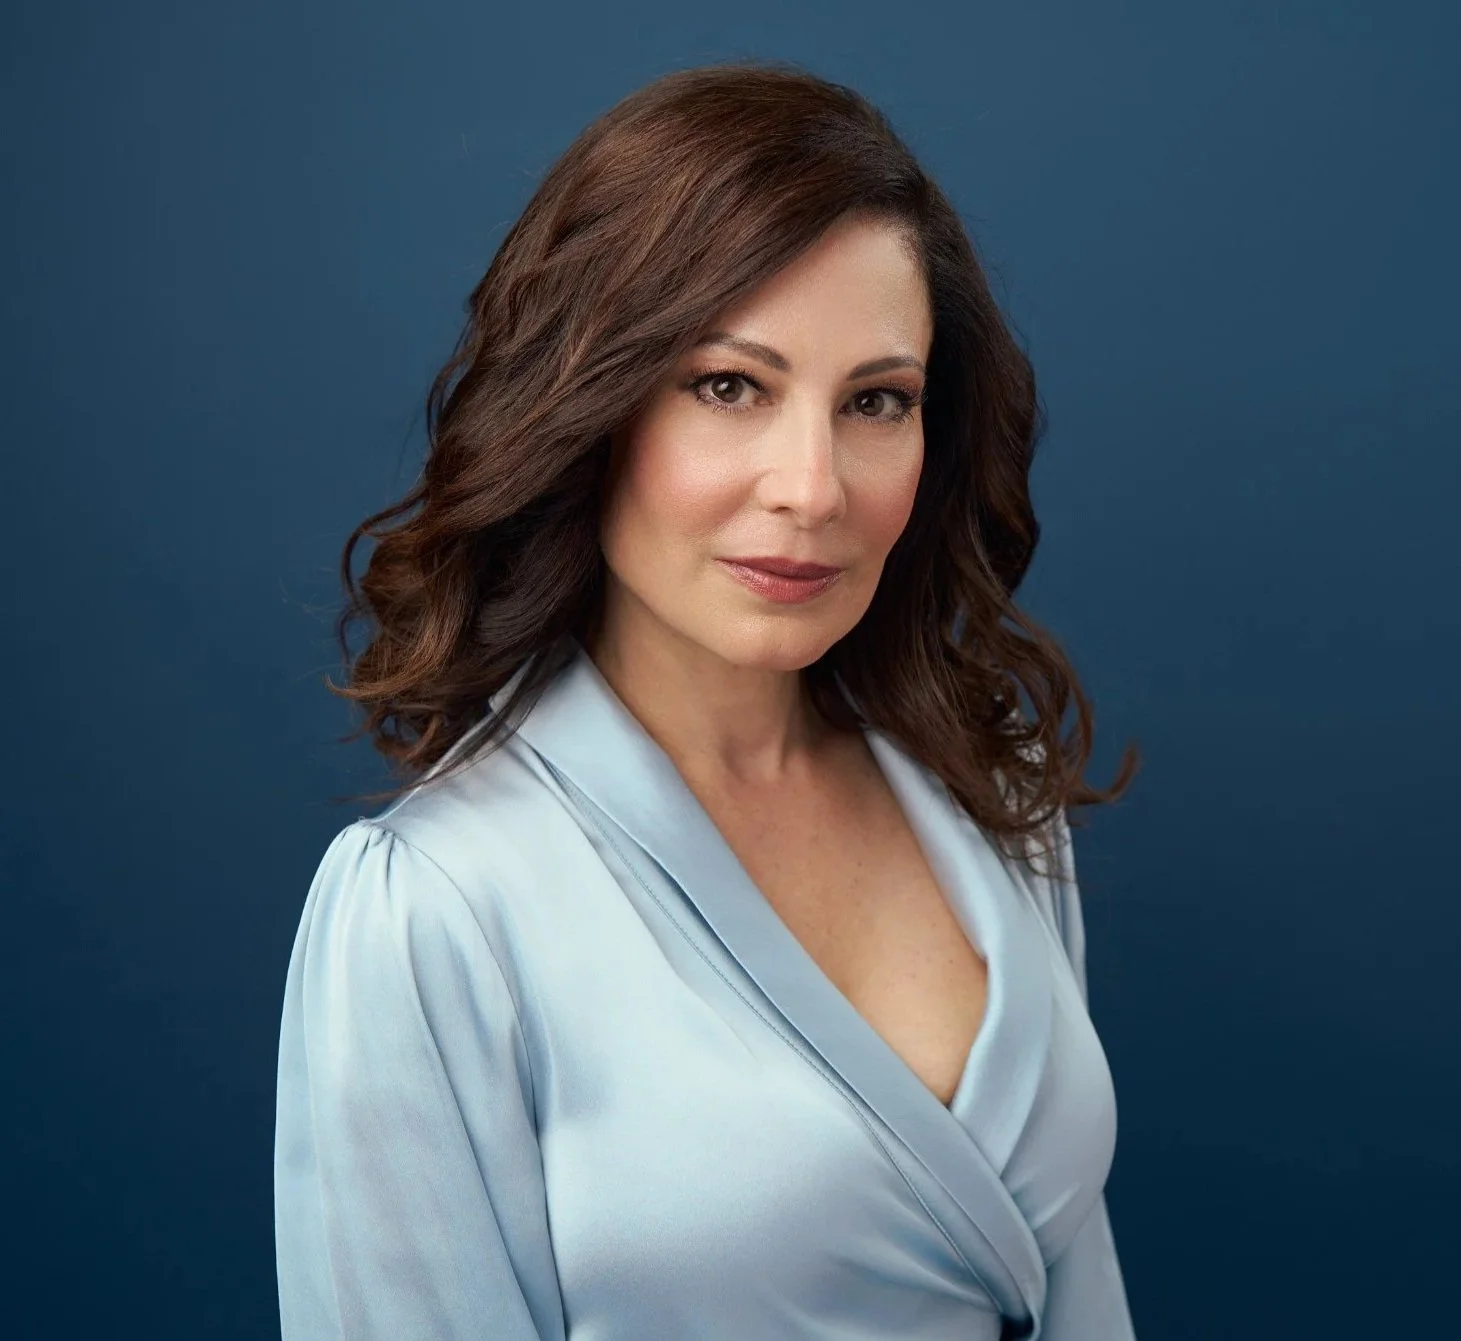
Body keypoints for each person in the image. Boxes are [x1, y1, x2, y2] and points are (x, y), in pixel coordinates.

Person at [273, 59, 1141, 1341]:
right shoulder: (436, 911)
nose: (811, 486)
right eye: (728, 386)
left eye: (875, 402)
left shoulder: (993, 795)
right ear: (590, 406)